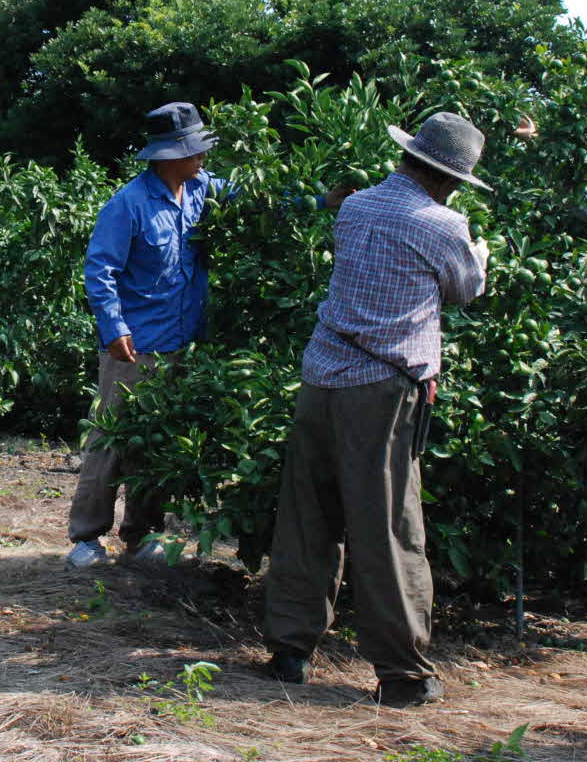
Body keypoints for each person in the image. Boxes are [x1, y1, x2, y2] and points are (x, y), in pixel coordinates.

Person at [262, 112, 490, 707]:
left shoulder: (356, 205)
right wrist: (481, 252)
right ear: (452, 180)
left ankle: (290, 648)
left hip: (322, 377)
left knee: (309, 515)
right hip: (383, 389)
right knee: (388, 526)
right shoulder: (446, 225)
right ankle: (403, 673)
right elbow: (466, 289)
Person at [65, 102, 223, 570]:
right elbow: (101, 271)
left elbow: (259, 200)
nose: (201, 160)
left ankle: (142, 533)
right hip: (135, 348)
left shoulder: (201, 191)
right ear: (168, 155)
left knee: (156, 442)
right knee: (110, 441)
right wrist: (115, 329)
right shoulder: (128, 204)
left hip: (182, 342)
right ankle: (87, 537)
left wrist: (322, 199)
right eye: (193, 152)